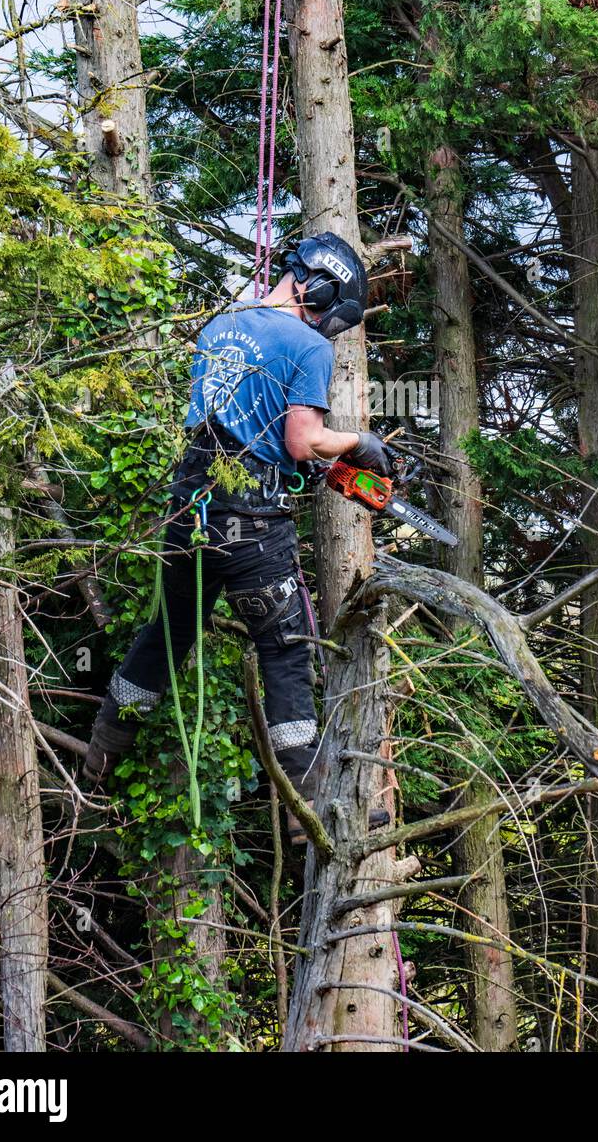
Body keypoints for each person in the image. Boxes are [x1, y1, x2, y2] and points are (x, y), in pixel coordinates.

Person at [84, 232, 390, 840]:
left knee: (170, 632)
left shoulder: (223, 324)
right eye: (334, 312)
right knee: (284, 650)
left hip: (189, 507)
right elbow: (303, 440)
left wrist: (310, 465)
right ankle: (312, 811)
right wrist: (358, 443)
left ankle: (101, 753)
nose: (329, 326)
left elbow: (243, 425)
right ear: (321, 288)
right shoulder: (305, 344)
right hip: (250, 522)